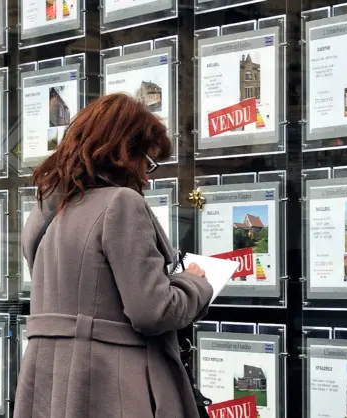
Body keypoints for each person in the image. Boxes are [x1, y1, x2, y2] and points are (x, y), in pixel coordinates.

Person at [14, 93, 214, 418]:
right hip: (109, 387)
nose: (146, 177)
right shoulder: (121, 203)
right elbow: (153, 311)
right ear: (123, 150)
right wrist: (194, 283)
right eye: (147, 162)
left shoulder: (46, 210)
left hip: (48, 386)